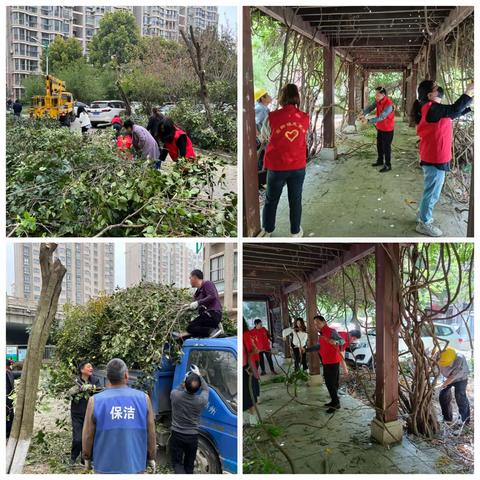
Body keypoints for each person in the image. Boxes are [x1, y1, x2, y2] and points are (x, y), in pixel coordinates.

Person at [411, 80, 473, 237]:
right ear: (430, 95)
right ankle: (424, 223)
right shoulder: (431, 108)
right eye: (435, 87)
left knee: (430, 190)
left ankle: (422, 215)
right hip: (435, 157)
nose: (439, 88)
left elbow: (453, 113)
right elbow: (454, 108)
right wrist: (468, 90)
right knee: (432, 192)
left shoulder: (434, 109)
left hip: (435, 154)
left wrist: (469, 107)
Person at [82, 358, 156, 474]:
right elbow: (151, 432)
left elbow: (88, 435)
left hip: (104, 467)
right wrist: (151, 456)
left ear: (108, 378)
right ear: (126, 376)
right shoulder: (143, 399)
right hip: (135, 466)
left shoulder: (95, 401)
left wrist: (87, 457)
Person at [259, 83, 309, 238]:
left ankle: (268, 229)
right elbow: (303, 137)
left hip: (277, 166)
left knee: (271, 199)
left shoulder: (272, 117)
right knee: (295, 199)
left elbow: (264, 137)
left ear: (282, 98)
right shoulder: (305, 117)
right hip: (298, 166)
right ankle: (295, 231)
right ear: (297, 97)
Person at [170, 365, 209, 474]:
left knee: (177, 463)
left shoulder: (175, 395)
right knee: (189, 464)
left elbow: (178, 388)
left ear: (185, 384)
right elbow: (206, 389)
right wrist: (199, 376)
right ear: (197, 389)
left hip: (177, 435)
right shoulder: (200, 401)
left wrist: (184, 380)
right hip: (192, 437)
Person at [305, 316, 345, 413]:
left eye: (318, 323)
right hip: (326, 361)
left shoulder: (331, 331)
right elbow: (319, 346)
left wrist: (335, 341)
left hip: (333, 361)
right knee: (331, 383)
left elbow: (342, 341)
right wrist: (306, 350)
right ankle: (334, 401)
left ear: (324, 322)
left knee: (330, 383)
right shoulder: (322, 334)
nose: (316, 325)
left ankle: (336, 404)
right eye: (315, 324)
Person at [67, 361, 102, 465]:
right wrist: (72, 391)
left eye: (91, 366)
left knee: (88, 437)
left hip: (90, 414)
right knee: (78, 438)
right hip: (77, 414)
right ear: (82, 370)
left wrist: (92, 387)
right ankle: (73, 457)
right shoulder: (75, 381)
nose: (91, 368)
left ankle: (85, 458)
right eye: (88, 367)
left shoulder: (95, 380)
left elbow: (100, 391)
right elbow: (67, 395)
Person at [359, 86, 395, 172]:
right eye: (375, 95)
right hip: (380, 127)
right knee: (379, 145)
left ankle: (388, 165)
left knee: (386, 147)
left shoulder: (389, 104)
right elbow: (370, 107)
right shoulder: (378, 101)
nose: (376, 97)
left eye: (377, 95)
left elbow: (382, 117)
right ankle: (380, 161)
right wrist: (363, 113)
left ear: (383, 95)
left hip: (388, 129)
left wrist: (368, 121)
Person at [179, 270, 223, 339]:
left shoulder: (207, 283)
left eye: (190, 278)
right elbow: (195, 304)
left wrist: (198, 303)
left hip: (213, 314)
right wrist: (188, 306)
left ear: (195, 277)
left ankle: (212, 331)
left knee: (191, 327)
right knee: (194, 331)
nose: (189, 280)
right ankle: (213, 332)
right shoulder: (197, 293)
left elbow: (212, 296)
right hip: (207, 316)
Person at [437, 347, 471, 426]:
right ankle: (447, 418)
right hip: (446, 377)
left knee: (460, 396)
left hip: (461, 378)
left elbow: (453, 376)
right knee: (443, 395)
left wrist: (442, 385)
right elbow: (435, 369)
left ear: (454, 358)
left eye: (448, 363)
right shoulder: (438, 356)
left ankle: (464, 420)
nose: (446, 365)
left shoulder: (460, 358)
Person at [243, 319, 260, 426]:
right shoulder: (246, 334)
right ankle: (247, 418)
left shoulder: (246, 334)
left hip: (247, 367)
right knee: (245, 394)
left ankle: (252, 418)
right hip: (242, 367)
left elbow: (252, 350)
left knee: (249, 394)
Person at [6, 359, 15, 439]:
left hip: (9, 401)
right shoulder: (10, 373)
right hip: (9, 401)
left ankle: (8, 433)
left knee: (9, 416)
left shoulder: (10, 373)